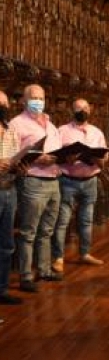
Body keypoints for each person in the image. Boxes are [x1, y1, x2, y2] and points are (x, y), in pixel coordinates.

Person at [10, 84, 62, 292]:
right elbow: (12, 154)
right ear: (23, 100)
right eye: (33, 97)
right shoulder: (17, 123)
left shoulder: (50, 123)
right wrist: (37, 159)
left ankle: (44, 269)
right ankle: (25, 275)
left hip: (54, 180)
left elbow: (56, 149)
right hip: (33, 181)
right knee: (29, 232)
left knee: (47, 230)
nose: (38, 101)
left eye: (41, 98)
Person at [51, 99, 108, 274]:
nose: (81, 111)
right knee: (62, 221)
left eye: (85, 108)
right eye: (78, 108)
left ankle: (85, 253)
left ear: (89, 110)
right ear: (72, 110)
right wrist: (65, 158)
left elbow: (104, 159)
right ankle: (58, 258)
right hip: (68, 180)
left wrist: (98, 159)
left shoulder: (96, 132)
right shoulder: (62, 131)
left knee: (86, 220)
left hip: (90, 180)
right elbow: (54, 156)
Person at [0, 91, 22, 305]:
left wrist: (20, 166)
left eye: (5, 103)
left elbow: (15, 158)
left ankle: (2, 289)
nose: (3, 106)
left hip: (9, 189)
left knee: (7, 244)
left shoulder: (12, 131)